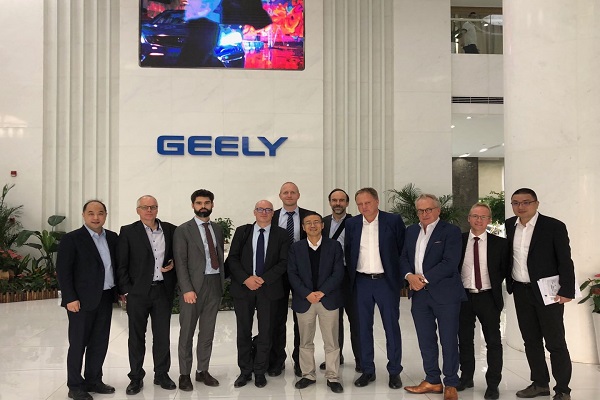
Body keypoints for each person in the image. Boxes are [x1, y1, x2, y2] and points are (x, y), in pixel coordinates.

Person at [506, 188, 575, 400]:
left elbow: (565, 260)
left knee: (555, 342)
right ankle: (540, 383)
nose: (521, 206)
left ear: (536, 204)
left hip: (548, 292)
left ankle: (562, 389)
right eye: (516, 203)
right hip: (521, 290)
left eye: (526, 202)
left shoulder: (553, 226)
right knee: (531, 341)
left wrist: (567, 290)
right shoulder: (509, 225)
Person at [401, 194, 465, 400]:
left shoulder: (451, 231)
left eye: (428, 209)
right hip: (419, 295)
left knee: (448, 340)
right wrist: (409, 276)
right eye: (420, 210)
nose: (424, 214)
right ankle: (432, 380)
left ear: (438, 210)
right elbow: (403, 257)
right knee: (426, 340)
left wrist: (423, 279)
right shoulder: (411, 231)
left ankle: (451, 383)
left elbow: (450, 262)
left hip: (445, 294)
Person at [56, 200, 118, 400]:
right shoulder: (72, 239)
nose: (96, 217)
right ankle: (75, 385)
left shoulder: (112, 237)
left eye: (100, 213)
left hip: (106, 296)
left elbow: (116, 266)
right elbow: (63, 271)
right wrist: (70, 298)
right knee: (78, 343)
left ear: (106, 215)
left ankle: (94, 380)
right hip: (80, 301)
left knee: (100, 342)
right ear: (83, 215)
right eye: (91, 213)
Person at [345, 187, 406, 389]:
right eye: (360, 204)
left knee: (391, 327)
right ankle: (367, 370)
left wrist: (401, 280)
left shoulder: (393, 221)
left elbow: (402, 250)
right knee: (362, 328)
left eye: (367, 203)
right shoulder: (352, 223)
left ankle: (394, 371)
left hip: (386, 282)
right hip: (361, 282)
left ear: (377, 201)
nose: (364, 207)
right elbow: (349, 252)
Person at [116, 195, 178, 395]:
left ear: (157, 209)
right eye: (145, 207)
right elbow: (121, 263)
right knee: (136, 337)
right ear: (138, 210)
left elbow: (178, 255)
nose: (149, 210)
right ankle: (136, 377)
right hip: (138, 293)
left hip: (162, 291)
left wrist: (174, 263)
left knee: (162, 336)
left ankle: (162, 374)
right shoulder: (128, 231)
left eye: (153, 207)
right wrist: (127, 290)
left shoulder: (170, 230)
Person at [227, 200, 290, 388]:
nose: (264, 212)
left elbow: (284, 261)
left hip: (269, 289)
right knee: (243, 331)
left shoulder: (281, 234)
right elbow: (232, 258)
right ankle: (245, 371)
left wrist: (263, 279)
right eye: (260, 209)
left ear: (273, 213)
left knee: (266, 332)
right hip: (244, 288)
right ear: (254, 212)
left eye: (268, 210)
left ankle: (260, 371)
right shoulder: (243, 232)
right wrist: (246, 278)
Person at [174, 189, 226, 391]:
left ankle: (202, 370)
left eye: (206, 203)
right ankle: (184, 374)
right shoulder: (183, 230)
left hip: (214, 284)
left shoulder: (217, 229)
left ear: (212, 205)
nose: (203, 206)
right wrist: (186, 288)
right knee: (187, 332)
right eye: (199, 203)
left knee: (207, 332)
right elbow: (180, 262)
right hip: (192, 288)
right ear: (193, 205)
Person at [288, 212, 345, 394]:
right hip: (304, 300)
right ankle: (308, 375)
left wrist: (322, 292)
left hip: (328, 299)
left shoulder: (334, 246)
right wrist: (307, 293)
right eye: (308, 223)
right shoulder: (296, 248)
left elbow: (338, 272)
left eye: (316, 222)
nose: (312, 225)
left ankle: (333, 377)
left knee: (332, 341)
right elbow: (292, 274)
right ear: (303, 228)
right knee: (305, 341)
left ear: (322, 225)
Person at [457, 203, 507, 400]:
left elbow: (504, 270)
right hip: (463, 297)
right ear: (469, 218)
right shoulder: (459, 241)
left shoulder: (500, 244)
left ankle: (493, 384)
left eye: (483, 217)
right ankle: (466, 377)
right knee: (464, 340)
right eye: (475, 216)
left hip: (488, 297)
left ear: (489, 220)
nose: (479, 220)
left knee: (493, 342)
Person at [269, 182, 314, 377]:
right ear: (280, 196)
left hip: (303, 274)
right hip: (277, 274)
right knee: (277, 319)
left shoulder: (309, 216)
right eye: (285, 192)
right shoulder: (271, 216)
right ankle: (277, 360)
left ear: (298, 195)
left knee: (301, 319)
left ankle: (300, 361)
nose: (289, 195)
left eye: (292, 192)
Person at [319, 188, 361, 372]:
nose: (338, 203)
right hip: (330, 278)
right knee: (333, 321)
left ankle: (361, 359)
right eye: (334, 200)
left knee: (356, 320)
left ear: (347, 203)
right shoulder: (323, 223)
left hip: (352, 276)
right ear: (330, 202)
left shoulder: (356, 222)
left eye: (341, 200)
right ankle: (336, 356)